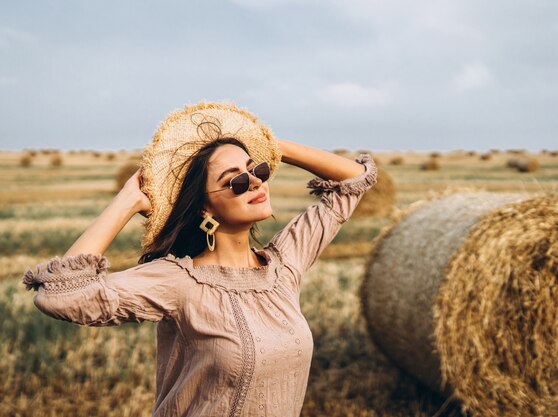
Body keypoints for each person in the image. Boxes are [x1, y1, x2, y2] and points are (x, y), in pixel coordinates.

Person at [22, 102, 378, 417]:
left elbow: (356, 179)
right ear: (204, 207)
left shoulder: (284, 267)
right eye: (235, 181)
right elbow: (59, 295)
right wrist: (128, 200)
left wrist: (269, 145)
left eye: (259, 170)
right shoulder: (180, 281)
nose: (254, 182)